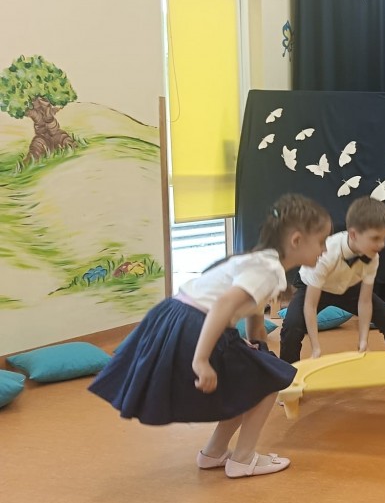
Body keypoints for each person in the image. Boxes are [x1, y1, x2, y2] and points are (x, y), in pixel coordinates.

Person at [89, 194, 332, 478]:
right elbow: (224, 304)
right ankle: (243, 458)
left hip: (178, 316)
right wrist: (201, 360)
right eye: (322, 241)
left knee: (253, 378)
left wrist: (258, 348)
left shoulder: (259, 262)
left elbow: (253, 316)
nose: (325, 249)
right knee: (269, 382)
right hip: (194, 322)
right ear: (296, 240)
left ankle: (214, 452)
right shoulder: (268, 269)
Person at [279, 196, 385, 363]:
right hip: (313, 288)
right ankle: (285, 373)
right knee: (291, 327)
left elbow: (365, 301)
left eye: (384, 238)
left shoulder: (372, 256)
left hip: (348, 287)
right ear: (353, 234)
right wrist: (316, 348)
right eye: (376, 238)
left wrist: (363, 340)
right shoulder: (326, 253)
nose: (382, 245)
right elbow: (310, 305)